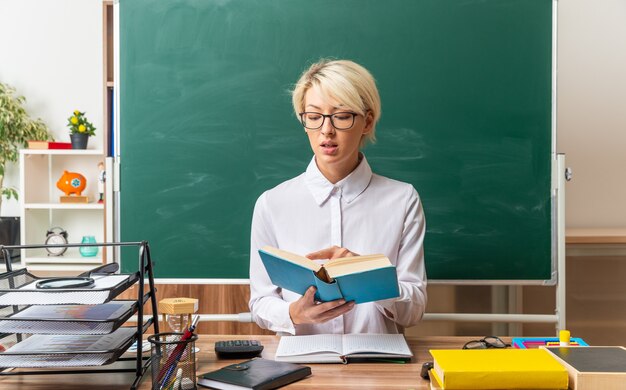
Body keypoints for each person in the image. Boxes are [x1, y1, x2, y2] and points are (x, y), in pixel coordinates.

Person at [248, 59, 427, 335]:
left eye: (341, 116)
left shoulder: (402, 200)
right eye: (314, 116)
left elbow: (413, 310)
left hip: (378, 367)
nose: (326, 130)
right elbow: (260, 303)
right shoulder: (272, 204)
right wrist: (293, 313)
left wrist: (367, 276)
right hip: (300, 367)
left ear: (366, 121)